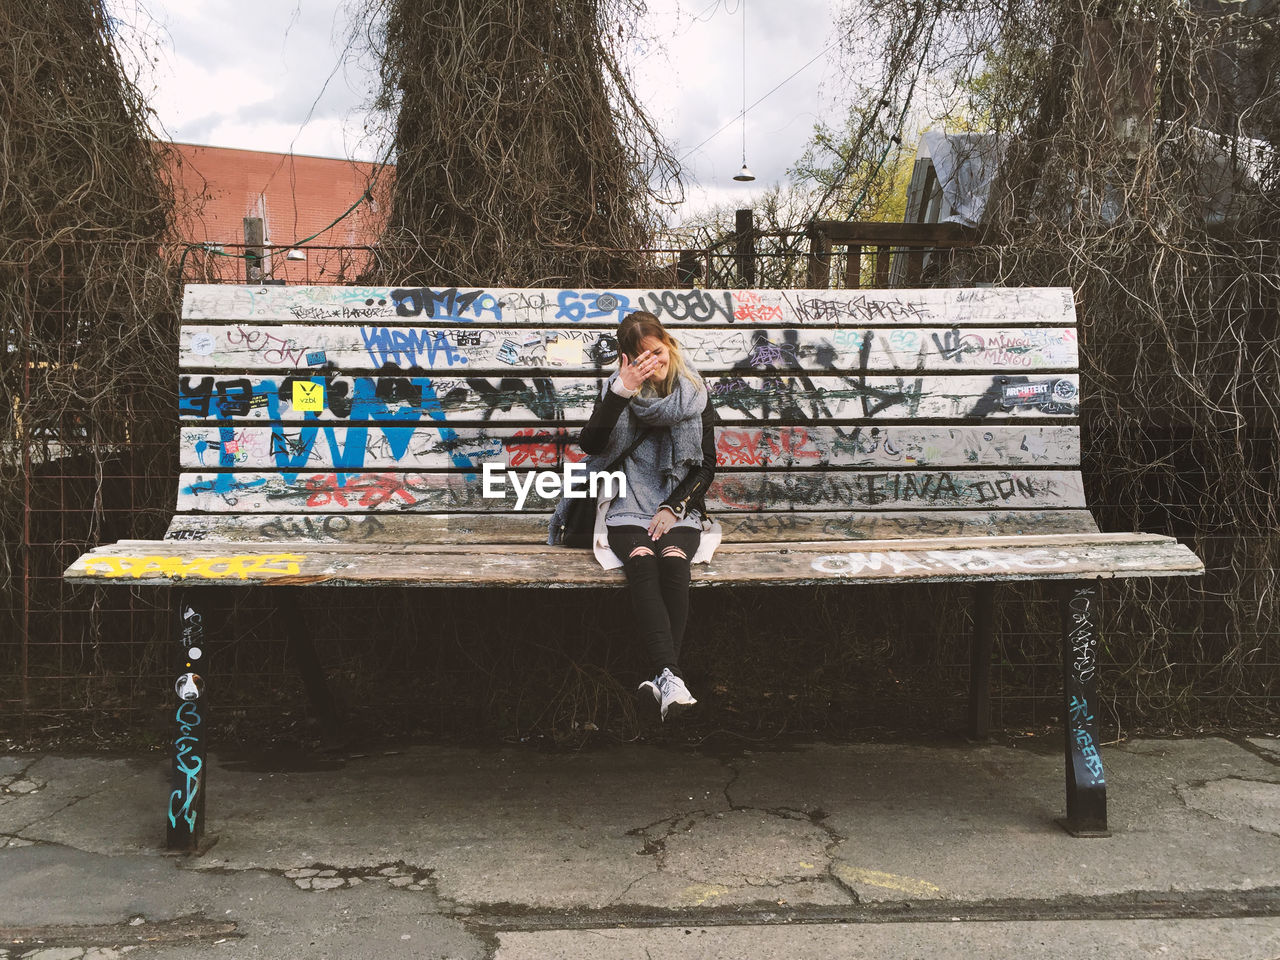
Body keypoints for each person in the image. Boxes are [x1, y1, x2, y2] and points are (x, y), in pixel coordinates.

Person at [575, 310, 719, 720]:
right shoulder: (619, 392)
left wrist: (675, 507)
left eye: (657, 351)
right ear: (626, 361)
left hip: (677, 506)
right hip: (626, 504)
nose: (653, 363)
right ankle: (670, 676)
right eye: (641, 359)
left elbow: (705, 465)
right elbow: (592, 445)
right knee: (642, 561)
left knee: (673, 561)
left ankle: (661, 679)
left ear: (668, 345)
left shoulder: (694, 392)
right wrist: (623, 390)